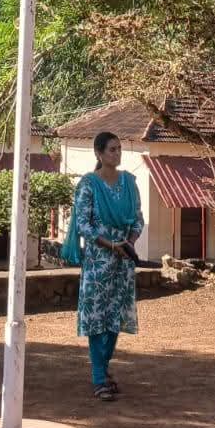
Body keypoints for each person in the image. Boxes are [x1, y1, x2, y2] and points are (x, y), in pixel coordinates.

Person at [62, 131, 144, 401]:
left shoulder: (130, 183)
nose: (117, 154)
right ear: (98, 153)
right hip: (98, 261)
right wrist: (110, 245)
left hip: (123, 260)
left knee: (115, 316)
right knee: (97, 317)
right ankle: (99, 378)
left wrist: (129, 242)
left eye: (119, 149)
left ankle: (104, 369)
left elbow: (138, 219)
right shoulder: (88, 185)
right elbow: (83, 225)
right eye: (112, 149)